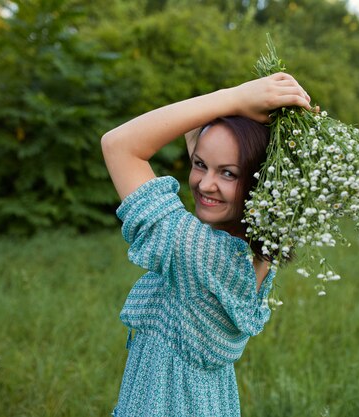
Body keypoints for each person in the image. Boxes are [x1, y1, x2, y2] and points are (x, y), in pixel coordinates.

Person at [102, 72, 311, 416]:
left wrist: (236, 98)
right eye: (200, 165)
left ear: (263, 184)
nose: (205, 184)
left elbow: (118, 145)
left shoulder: (200, 255)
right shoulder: (255, 246)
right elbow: (193, 132)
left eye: (228, 172)